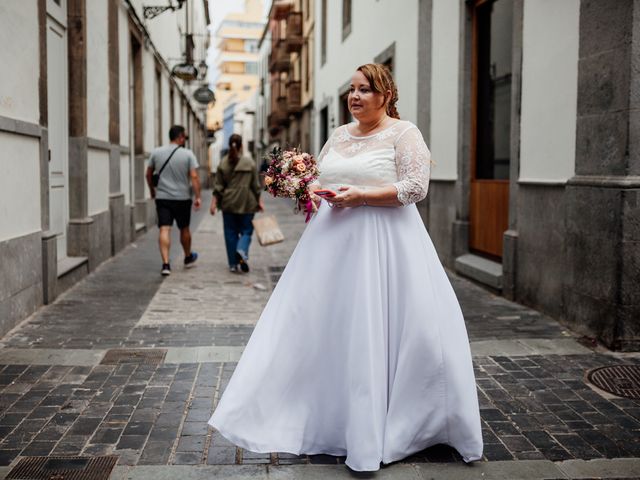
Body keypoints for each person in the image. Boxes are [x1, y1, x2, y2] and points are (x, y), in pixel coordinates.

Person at [208, 64, 483, 471]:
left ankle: (395, 422)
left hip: (385, 245)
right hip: (330, 247)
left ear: (385, 94)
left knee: (388, 327)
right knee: (322, 326)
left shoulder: (405, 134)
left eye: (365, 89)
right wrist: (303, 187)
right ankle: (326, 416)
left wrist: (364, 197)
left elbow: (415, 187)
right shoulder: (338, 134)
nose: (355, 97)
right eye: (351, 90)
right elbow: (321, 179)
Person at [146, 125, 201, 276]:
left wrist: (152, 190)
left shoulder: (156, 152)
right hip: (182, 198)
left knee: (164, 228)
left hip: (163, 198)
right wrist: (198, 197)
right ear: (181, 137)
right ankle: (188, 257)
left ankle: (165, 264)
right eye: (184, 137)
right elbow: (194, 177)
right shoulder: (188, 154)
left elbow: (148, 174)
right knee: (184, 228)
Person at [210, 134, 263, 273]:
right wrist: (259, 201)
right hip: (247, 202)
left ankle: (233, 263)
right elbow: (256, 186)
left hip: (228, 203)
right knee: (246, 231)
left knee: (230, 233)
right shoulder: (249, 162)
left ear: (229, 145)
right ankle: (242, 250)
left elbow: (218, 186)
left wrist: (214, 203)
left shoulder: (223, 163)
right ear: (241, 146)